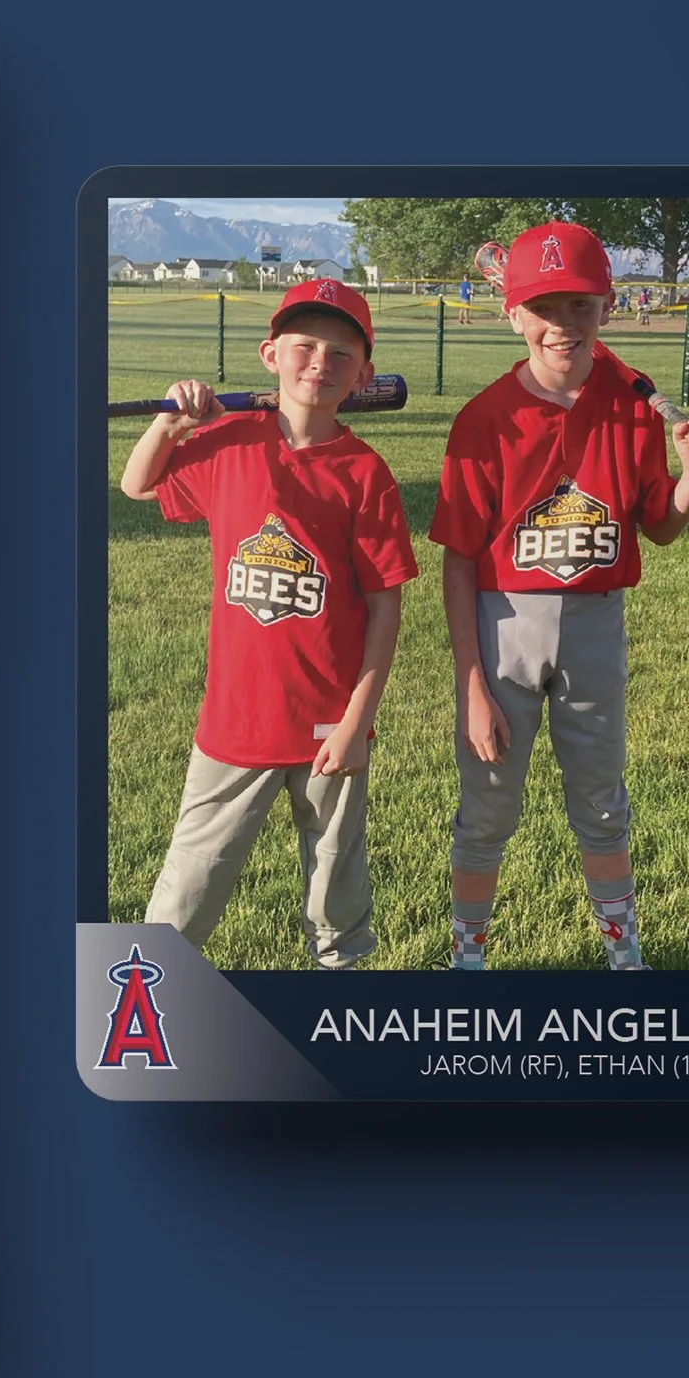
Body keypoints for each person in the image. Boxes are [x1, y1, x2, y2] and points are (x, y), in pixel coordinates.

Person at [429, 222, 689, 971]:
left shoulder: (628, 406)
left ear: (607, 309)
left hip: (594, 624)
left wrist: (687, 478)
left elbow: (659, 528)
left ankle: (626, 958)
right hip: (504, 625)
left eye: (580, 306)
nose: (562, 323)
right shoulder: (483, 421)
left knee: (601, 799)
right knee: (488, 802)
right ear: (513, 315)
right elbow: (458, 564)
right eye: (543, 307)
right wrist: (471, 688)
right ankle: (468, 959)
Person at [121, 280, 417, 967]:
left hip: (327, 721)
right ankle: (140, 1008)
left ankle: (343, 994)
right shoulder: (228, 443)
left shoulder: (364, 473)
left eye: (340, 354)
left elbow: (385, 604)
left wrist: (355, 722)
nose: (320, 362)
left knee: (337, 884)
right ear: (270, 354)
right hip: (236, 717)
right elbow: (138, 484)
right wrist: (169, 423)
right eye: (304, 347)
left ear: (364, 377)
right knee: (190, 880)